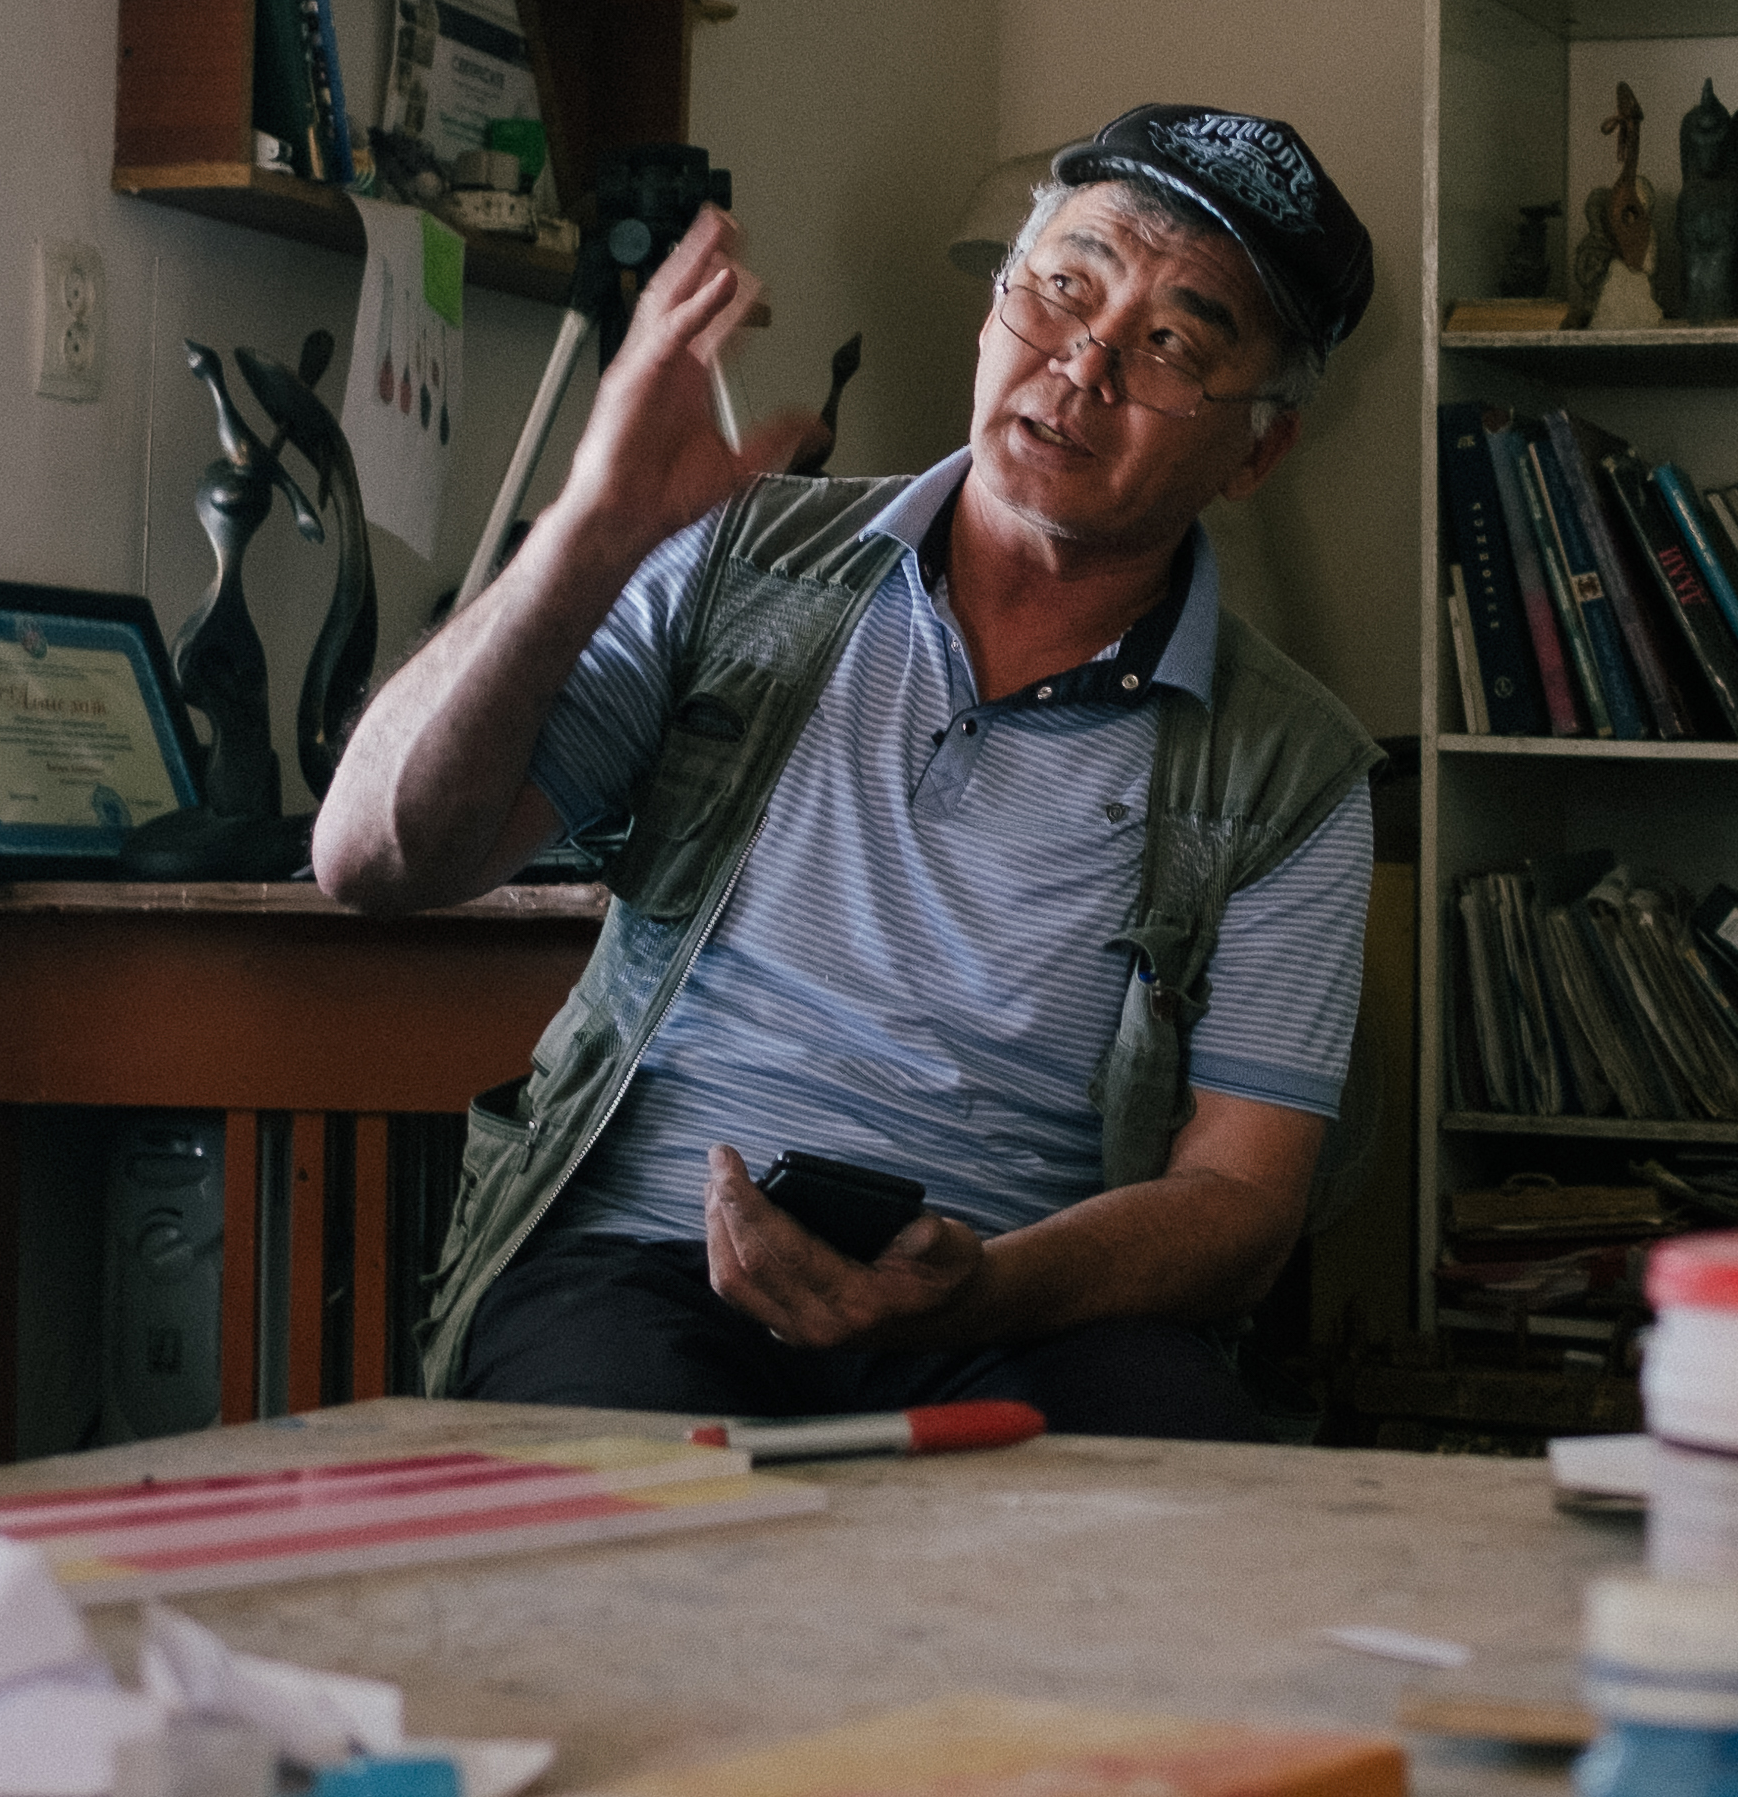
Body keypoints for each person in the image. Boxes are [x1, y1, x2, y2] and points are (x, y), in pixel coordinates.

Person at [316, 109, 1380, 1436]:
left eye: (1173, 341)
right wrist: (587, 533)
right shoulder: (738, 559)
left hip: (1011, 1312)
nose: (1084, 363)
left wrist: (983, 1292)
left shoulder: (1298, 768)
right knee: (641, 1531)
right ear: (998, 309)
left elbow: (1242, 1206)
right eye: (1062, 286)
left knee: (1190, 1491)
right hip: (640, 1272)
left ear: (1259, 449)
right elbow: (376, 861)